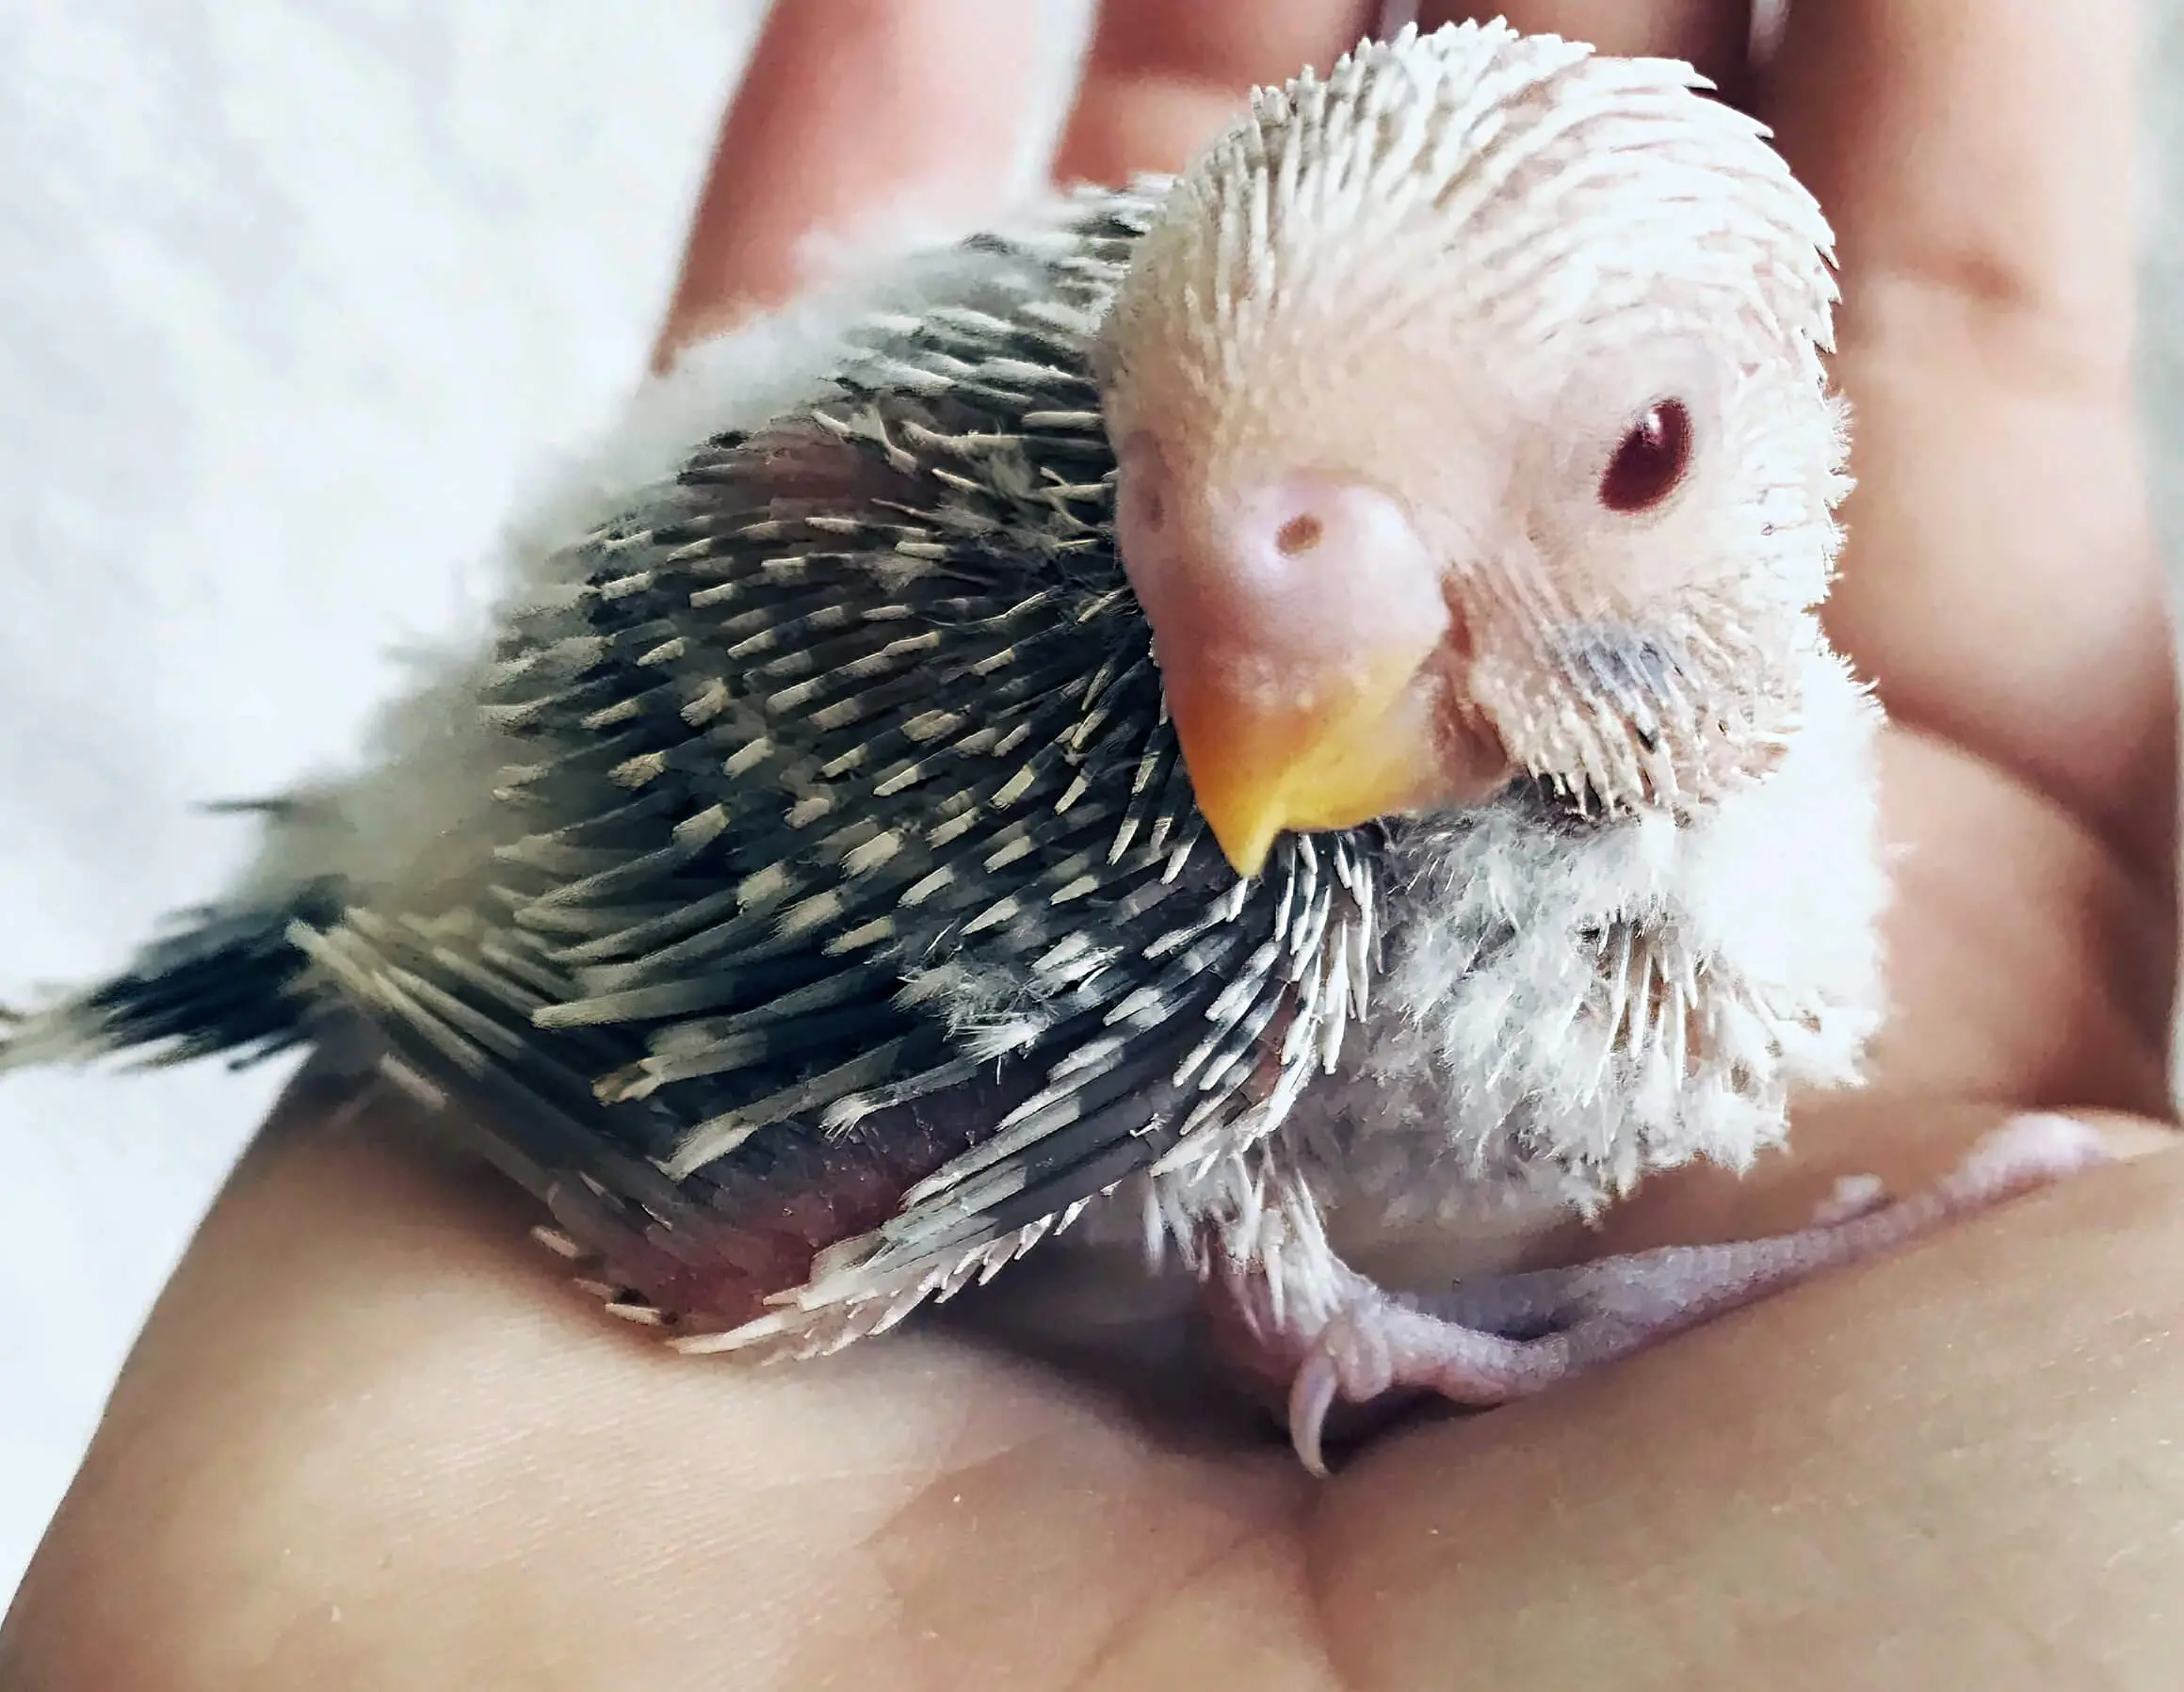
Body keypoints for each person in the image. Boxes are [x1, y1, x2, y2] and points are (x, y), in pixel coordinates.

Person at [5, 2, 2177, 1684]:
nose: (1271, 697)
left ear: (1770, 432)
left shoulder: (1720, 710)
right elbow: (748, 1113)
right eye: (1167, 491)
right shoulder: (1207, 888)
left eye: (1632, 457)